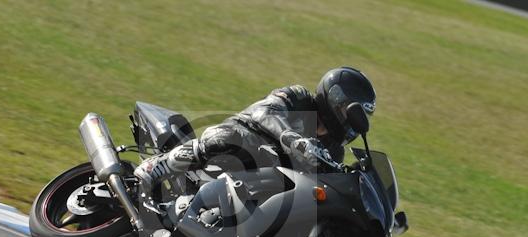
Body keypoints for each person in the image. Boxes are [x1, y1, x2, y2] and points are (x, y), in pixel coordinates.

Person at [134, 66, 376, 189]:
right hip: (237, 148)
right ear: (336, 101)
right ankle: (159, 165)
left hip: (255, 185)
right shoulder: (299, 97)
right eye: (353, 112)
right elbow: (264, 112)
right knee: (230, 136)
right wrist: (293, 138)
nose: (353, 120)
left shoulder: (333, 152)